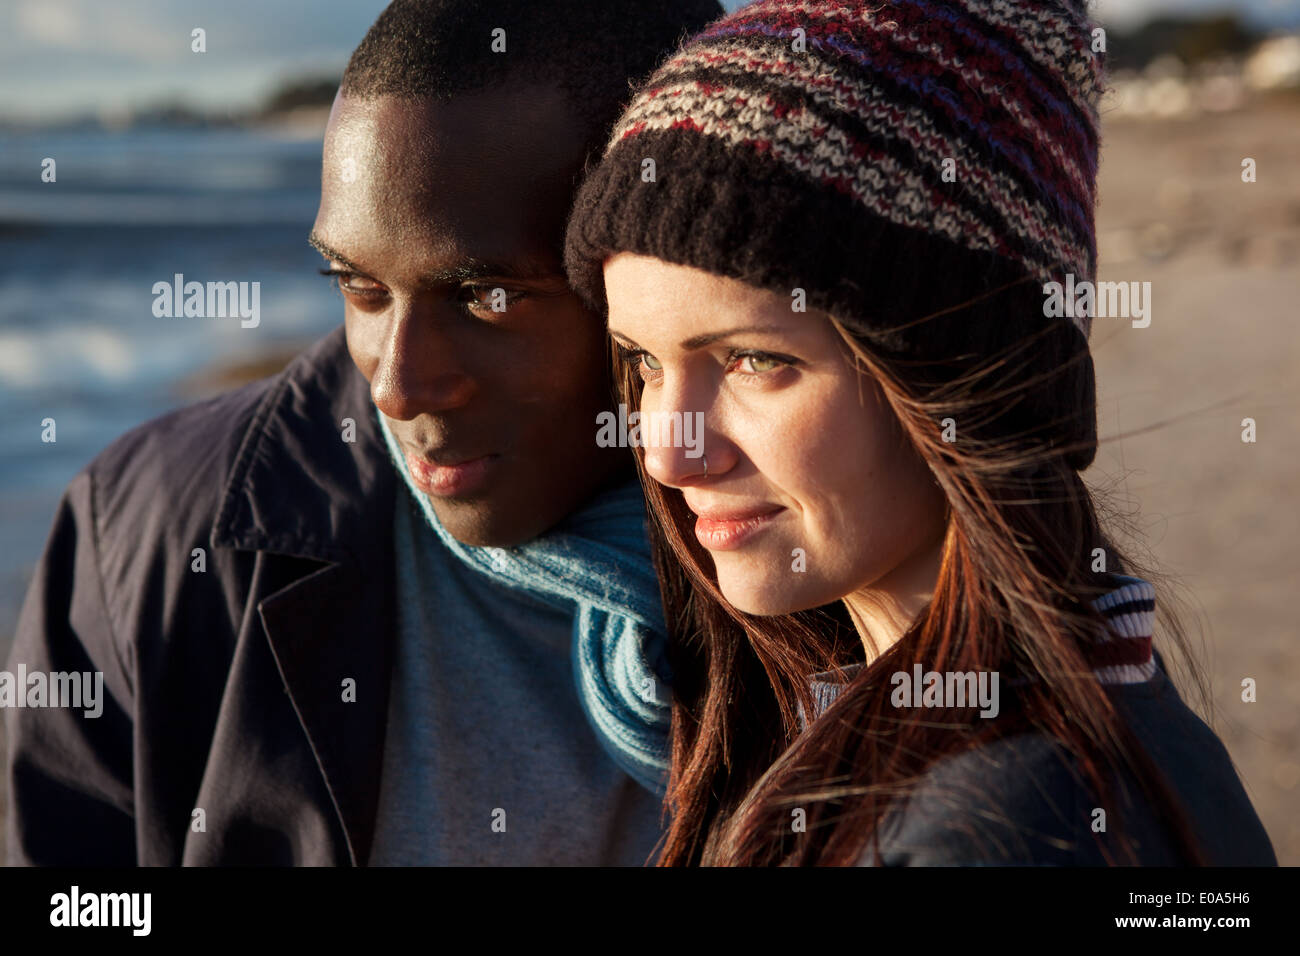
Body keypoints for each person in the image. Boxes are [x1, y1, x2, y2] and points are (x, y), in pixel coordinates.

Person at [4, 0, 722, 866]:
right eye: (360, 288)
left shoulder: (850, 554)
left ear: (665, 266)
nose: (396, 384)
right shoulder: (143, 537)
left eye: (484, 297)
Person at [564, 0, 1277, 865]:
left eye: (755, 361)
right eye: (643, 364)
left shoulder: (1005, 824)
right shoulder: (1039, 725)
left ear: (956, 376)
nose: (669, 453)